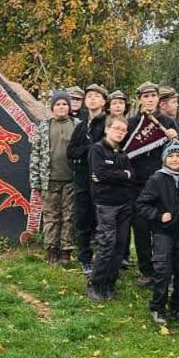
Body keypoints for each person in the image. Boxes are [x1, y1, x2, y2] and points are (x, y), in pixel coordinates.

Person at [125, 82, 179, 285]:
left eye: (153, 96)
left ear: (158, 99)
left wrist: (174, 138)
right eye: (145, 96)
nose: (149, 100)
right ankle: (147, 270)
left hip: (162, 184)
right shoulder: (132, 123)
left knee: (163, 227)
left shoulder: (168, 123)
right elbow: (123, 152)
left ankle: (165, 269)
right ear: (139, 99)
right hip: (137, 185)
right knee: (140, 228)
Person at [135, 140, 179, 325]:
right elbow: (142, 204)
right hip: (163, 232)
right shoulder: (157, 179)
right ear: (164, 159)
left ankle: (178, 306)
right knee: (163, 270)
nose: (175, 159)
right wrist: (158, 216)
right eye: (171, 156)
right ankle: (158, 307)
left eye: (178, 156)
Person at [87, 116, 134, 301]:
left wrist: (117, 175)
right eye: (117, 128)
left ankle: (109, 283)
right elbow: (101, 173)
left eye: (123, 130)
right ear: (107, 129)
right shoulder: (97, 150)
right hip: (106, 205)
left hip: (124, 205)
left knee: (120, 246)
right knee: (107, 244)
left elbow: (132, 174)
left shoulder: (122, 152)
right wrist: (124, 174)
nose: (120, 132)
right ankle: (95, 283)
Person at [67, 84, 109, 274]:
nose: (92, 99)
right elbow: (71, 151)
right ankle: (85, 258)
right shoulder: (81, 126)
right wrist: (89, 149)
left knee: (102, 220)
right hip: (83, 179)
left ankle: (104, 258)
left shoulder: (108, 124)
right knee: (83, 219)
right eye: (89, 96)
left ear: (103, 101)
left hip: (103, 180)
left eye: (96, 96)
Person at [34, 91, 78, 265]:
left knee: (69, 216)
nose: (61, 107)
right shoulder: (44, 127)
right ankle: (51, 249)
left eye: (65, 104)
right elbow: (35, 155)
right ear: (52, 107)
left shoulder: (77, 125)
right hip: (49, 180)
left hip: (71, 180)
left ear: (69, 107)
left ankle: (66, 250)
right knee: (51, 217)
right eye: (58, 104)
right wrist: (36, 181)